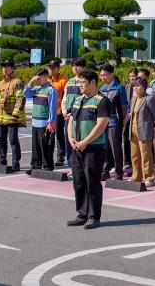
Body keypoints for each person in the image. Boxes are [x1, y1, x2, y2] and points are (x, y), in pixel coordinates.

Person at [67, 69, 111, 229]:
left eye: (83, 82)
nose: (80, 85)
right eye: (79, 82)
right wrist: (70, 138)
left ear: (93, 83)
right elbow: (71, 120)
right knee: (78, 182)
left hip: (94, 148)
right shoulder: (78, 100)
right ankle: (82, 214)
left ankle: (94, 217)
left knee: (92, 183)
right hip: (77, 147)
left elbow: (101, 125)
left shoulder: (102, 101)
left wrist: (85, 142)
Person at [0, 60, 26, 171]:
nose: (5, 69)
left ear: (12, 69)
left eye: (7, 67)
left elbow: (20, 99)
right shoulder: (0, 83)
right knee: (1, 140)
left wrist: (15, 115)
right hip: (0, 117)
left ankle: (16, 163)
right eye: (3, 67)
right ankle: (2, 160)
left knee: (13, 140)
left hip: (11, 118)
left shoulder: (17, 82)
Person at [124, 76, 155, 186]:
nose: (135, 88)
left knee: (146, 155)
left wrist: (147, 123)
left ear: (144, 87)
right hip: (133, 130)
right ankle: (136, 176)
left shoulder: (149, 99)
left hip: (144, 130)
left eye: (138, 86)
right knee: (134, 155)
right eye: (134, 86)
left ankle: (148, 178)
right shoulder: (134, 98)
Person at [23, 68, 58, 173]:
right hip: (35, 122)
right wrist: (31, 81)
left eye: (39, 78)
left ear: (45, 76)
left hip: (45, 123)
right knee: (36, 146)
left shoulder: (51, 90)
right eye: (36, 78)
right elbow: (25, 94)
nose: (37, 80)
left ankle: (47, 166)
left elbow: (52, 108)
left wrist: (51, 122)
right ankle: (36, 166)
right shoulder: (36, 89)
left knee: (45, 146)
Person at [99, 64, 128, 181]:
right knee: (104, 148)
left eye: (105, 75)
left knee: (116, 148)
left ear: (112, 74)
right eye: (101, 75)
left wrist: (122, 121)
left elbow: (124, 107)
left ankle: (119, 172)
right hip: (103, 122)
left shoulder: (119, 88)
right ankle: (105, 171)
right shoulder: (101, 89)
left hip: (114, 122)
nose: (103, 77)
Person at [61, 58, 86, 168]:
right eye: (73, 66)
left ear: (84, 67)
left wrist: (72, 114)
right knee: (69, 140)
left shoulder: (85, 81)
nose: (75, 68)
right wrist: (64, 111)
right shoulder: (70, 81)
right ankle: (72, 166)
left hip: (79, 115)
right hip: (68, 115)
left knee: (79, 140)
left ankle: (79, 166)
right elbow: (65, 98)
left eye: (78, 66)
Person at [47, 60, 68, 166]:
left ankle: (60, 157)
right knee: (49, 135)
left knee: (59, 135)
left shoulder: (63, 80)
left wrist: (65, 111)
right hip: (48, 112)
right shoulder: (47, 80)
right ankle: (48, 156)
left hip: (59, 112)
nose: (51, 69)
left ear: (58, 69)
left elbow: (66, 97)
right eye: (50, 67)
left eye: (53, 67)